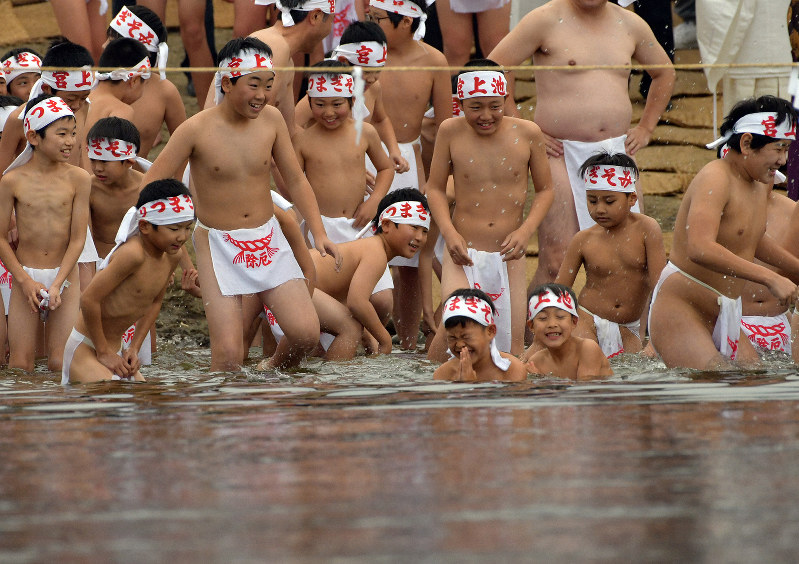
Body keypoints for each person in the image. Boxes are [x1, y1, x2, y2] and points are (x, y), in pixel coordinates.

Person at [140, 37, 340, 372]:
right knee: (229, 357)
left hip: (266, 236)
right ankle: (225, 403)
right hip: (216, 242)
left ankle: (270, 370)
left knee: (305, 334)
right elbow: (151, 185)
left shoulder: (272, 120)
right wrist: (159, 241)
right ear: (227, 83)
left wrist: (319, 232)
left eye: (268, 85)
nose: (262, 95)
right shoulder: (195, 129)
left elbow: (295, 179)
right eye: (254, 84)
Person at [488, 0, 675, 287]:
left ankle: (616, 318)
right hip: (558, 152)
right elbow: (493, 68)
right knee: (556, 260)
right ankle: (539, 317)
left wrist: (647, 127)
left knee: (631, 256)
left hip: (616, 151)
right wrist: (522, 127)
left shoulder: (631, 24)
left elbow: (664, 72)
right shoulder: (544, 19)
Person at [649, 95, 799, 369]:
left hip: (724, 309)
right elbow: (699, 248)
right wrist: (769, 277)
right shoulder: (715, 177)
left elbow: (753, 239)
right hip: (683, 305)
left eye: (787, 149)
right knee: (713, 380)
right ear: (746, 143)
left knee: (753, 380)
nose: (783, 160)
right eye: (778, 149)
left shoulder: (756, 183)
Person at [426, 61, 553, 361]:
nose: (486, 116)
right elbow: (435, 188)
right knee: (455, 332)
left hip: (509, 254)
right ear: (460, 103)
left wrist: (525, 231)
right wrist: (449, 234)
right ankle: (430, 383)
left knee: (511, 348)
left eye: (495, 106)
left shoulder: (528, 133)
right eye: (476, 107)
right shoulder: (450, 131)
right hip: (462, 252)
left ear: (506, 99)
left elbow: (546, 190)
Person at [367, 0, 453, 350]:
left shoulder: (434, 61)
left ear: (405, 22)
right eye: (369, 16)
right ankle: (359, 339)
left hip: (408, 162)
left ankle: (406, 343)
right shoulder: (362, 54)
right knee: (359, 250)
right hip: (362, 158)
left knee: (410, 258)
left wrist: (440, 180)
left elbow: (446, 128)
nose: (370, 23)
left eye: (377, 18)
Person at [293, 60, 395, 330]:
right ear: (309, 101)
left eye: (337, 104)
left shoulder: (366, 132)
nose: (328, 112)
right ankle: (345, 340)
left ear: (352, 101)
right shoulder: (303, 140)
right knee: (328, 297)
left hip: (360, 226)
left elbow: (386, 168)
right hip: (321, 229)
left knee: (382, 300)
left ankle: (371, 340)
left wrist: (375, 201)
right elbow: (293, 183)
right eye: (320, 104)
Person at [61, 179, 195, 383]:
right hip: (87, 347)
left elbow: (155, 301)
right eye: (174, 229)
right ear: (145, 226)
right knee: (111, 394)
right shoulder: (133, 254)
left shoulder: (172, 256)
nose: (182, 237)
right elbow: (88, 299)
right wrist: (103, 352)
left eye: (187, 228)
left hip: (117, 349)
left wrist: (134, 347)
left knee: (143, 397)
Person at [0, 95, 90, 372]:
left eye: (73, 133)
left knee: (60, 363)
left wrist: (58, 283)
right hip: (25, 276)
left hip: (65, 277)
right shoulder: (12, 180)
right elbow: (1, 238)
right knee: (20, 364)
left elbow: (78, 238)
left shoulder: (79, 178)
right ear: (33, 137)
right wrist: (25, 281)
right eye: (61, 134)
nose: (70, 141)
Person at [286, 188, 430, 360]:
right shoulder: (376, 252)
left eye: (425, 231)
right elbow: (357, 303)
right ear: (386, 225)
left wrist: (370, 336)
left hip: (290, 283)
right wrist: (384, 339)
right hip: (292, 285)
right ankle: (335, 376)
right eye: (414, 227)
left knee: (314, 352)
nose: (420, 237)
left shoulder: (371, 248)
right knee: (350, 328)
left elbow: (346, 301)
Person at [555, 152, 666, 357]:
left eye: (609, 201)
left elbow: (661, 287)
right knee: (589, 362)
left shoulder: (647, 229)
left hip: (629, 328)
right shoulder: (583, 239)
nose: (599, 209)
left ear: (631, 198)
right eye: (592, 201)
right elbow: (558, 292)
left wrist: (655, 340)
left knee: (633, 370)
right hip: (587, 319)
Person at [295, 21, 409, 175]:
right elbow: (293, 126)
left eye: (378, 71)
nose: (372, 78)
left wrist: (394, 149)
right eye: (366, 72)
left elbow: (381, 120)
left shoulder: (373, 88)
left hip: (356, 162)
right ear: (344, 61)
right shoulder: (324, 92)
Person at [0, 39, 95, 173]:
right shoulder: (19, 119)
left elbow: (77, 154)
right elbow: (2, 171)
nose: (76, 105)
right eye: (70, 99)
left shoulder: (82, 107)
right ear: (47, 89)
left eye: (83, 98)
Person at [106, 5, 187, 159]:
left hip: (139, 173)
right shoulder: (93, 83)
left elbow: (185, 148)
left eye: (110, 42)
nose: (103, 46)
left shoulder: (165, 91)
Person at [247, 0, 335, 133]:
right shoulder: (274, 46)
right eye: (332, 21)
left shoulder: (285, 55)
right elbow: (255, 125)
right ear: (315, 16)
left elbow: (289, 130)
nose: (330, 28)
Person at [81, 37, 150, 172]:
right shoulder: (121, 110)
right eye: (145, 84)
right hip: (93, 181)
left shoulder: (80, 95)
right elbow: (116, 166)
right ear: (134, 81)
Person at [433, 288, 527, 382]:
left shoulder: (512, 370)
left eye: (466, 337)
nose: (459, 344)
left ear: (490, 331)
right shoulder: (442, 374)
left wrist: (469, 384)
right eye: (452, 338)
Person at [526, 283, 613, 380]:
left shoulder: (587, 348)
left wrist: (543, 380)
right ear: (531, 326)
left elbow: (585, 387)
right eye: (543, 318)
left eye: (560, 317)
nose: (552, 324)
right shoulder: (536, 362)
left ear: (574, 322)